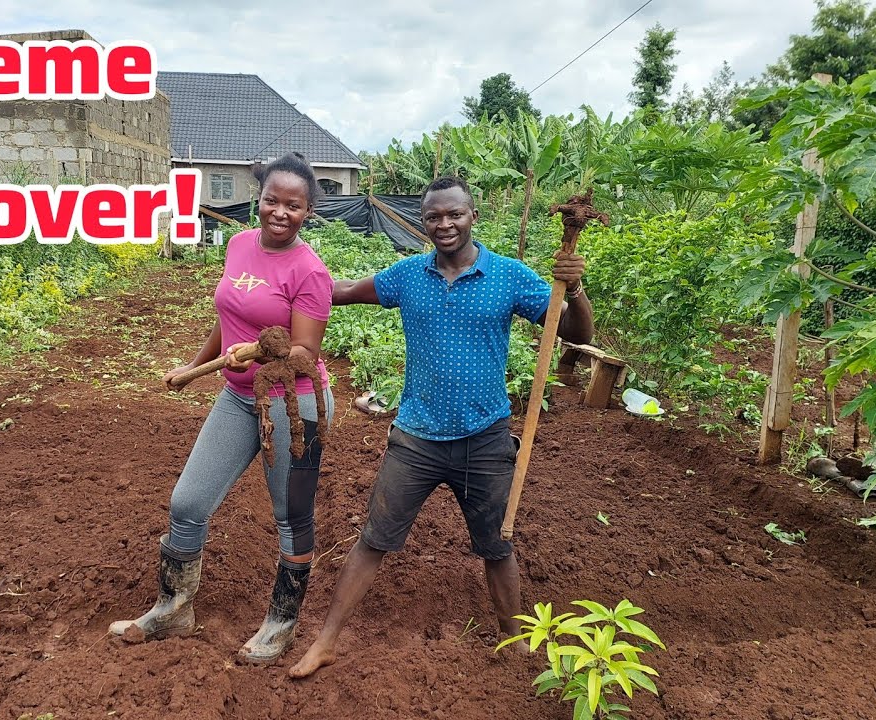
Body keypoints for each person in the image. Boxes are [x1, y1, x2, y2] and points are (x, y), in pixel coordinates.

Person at [288, 176, 592, 679]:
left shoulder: (509, 277)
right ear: (423, 221)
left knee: (497, 546)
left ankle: (514, 641)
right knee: (374, 539)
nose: (444, 224)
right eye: (434, 217)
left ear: (473, 216)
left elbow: (577, 334)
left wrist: (575, 288)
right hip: (416, 438)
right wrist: (287, 283)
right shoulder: (407, 276)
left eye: (455, 214)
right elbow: (340, 293)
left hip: (485, 438)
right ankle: (325, 641)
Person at [109, 152, 335, 664]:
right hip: (237, 398)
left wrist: (256, 350)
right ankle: (174, 608)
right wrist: (193, 367)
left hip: (293, 407)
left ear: (308, 212)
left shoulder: (310, 271)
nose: (280, 212)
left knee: (289, 515)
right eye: (271, 200)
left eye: (293, 205)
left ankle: (281, 621)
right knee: (188, 503)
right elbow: (228, 314)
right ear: (259, 200)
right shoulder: (237, 245)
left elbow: (304, 354)